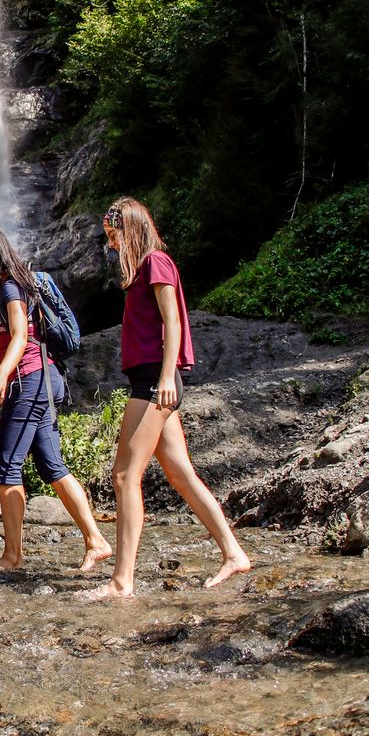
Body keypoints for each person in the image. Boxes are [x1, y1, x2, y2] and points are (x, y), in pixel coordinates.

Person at [90, 198, 252, 598]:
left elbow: (174, 320)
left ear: (130, 229)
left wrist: (165, 375)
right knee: (179, 472)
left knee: (125, 475)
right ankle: (234, 553)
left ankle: (122, 580)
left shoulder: (155, 262)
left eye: (114, 237)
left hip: (154, 381)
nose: (111, 245)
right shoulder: (142, 269)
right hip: (150, 379)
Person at [0, 224, 114, 573]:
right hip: (44, 380)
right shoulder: (12, 283)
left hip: (30, 380)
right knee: (51, 465)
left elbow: (19, 336)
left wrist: (0, 376)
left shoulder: (10, 286)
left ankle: (13, 555)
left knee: (7, 467)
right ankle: (97, 541)